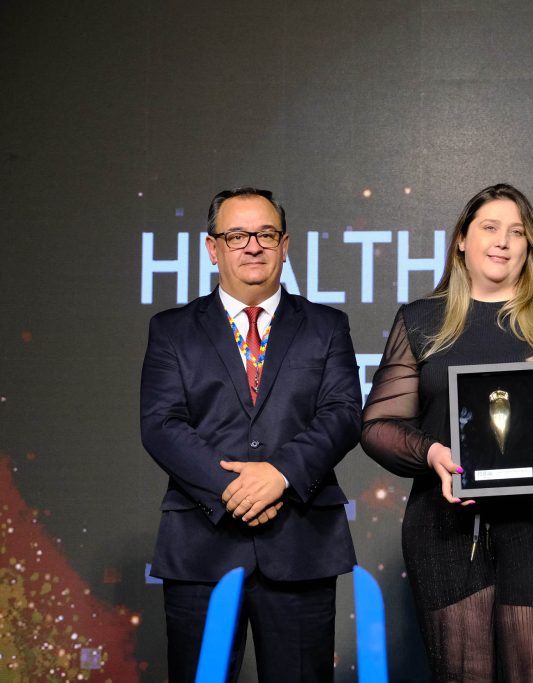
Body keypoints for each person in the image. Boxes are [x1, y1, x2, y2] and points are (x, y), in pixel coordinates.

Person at [362, 183, 533, 682]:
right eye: (490, 228)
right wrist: (432, 453)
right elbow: (379, 425)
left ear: (530, 245)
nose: (503, 241)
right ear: (462, 239)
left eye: (517, 232)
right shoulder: (421, 320)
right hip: (447, 533)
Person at [140, 187, 362, 683]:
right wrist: (233, 489)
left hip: (300, 542)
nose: (253, 246)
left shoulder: (326, 326)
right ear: (212, 248)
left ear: (285, 245)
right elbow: (161, 424)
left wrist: (279, 475)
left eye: (265, 234)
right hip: (202, 544)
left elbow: (344, 413)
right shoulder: (172, 329)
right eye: (237, 235)